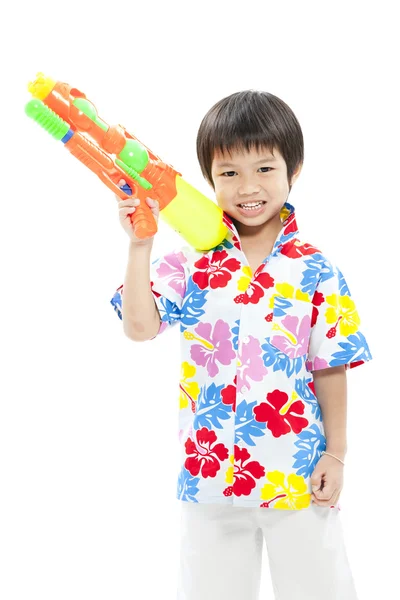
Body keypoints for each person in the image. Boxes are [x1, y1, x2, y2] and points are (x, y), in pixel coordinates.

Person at [110, 90, 372, 600]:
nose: (248, 187)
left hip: (295, 473)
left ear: (293, 170)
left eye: (264, 168)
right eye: (228, 173)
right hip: (208, 473)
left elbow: (330, 365)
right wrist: (140, 244)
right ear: (209, 180)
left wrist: (336, 455)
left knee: (320, 590)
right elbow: (139, 327)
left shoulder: (316, 269)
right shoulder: (189, 265)